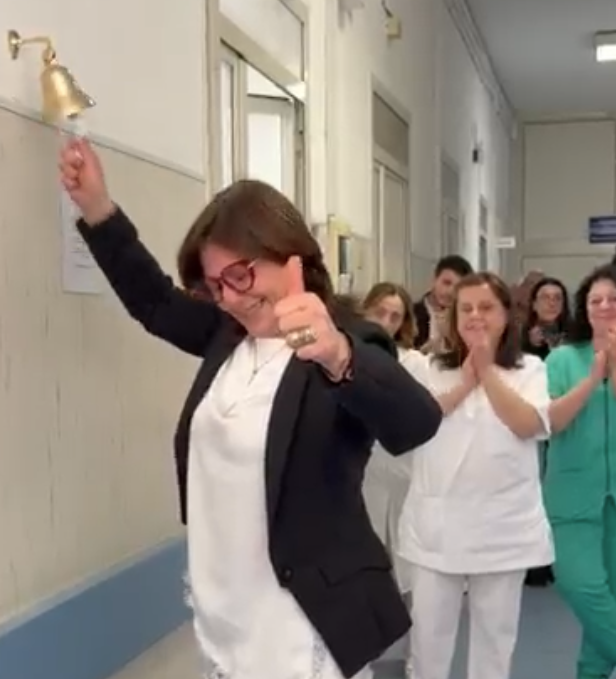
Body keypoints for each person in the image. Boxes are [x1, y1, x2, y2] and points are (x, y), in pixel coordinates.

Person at [58, 138, 443, 679]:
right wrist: (98, 209)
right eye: (216, 285)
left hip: (301, 621)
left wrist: (338, 355)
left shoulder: (347, 341)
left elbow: (417, 421)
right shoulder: (228, 336)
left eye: (241, 275)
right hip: (225, 615)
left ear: (290, 254)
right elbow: (154, 301)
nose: (233, 297)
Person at [398, 272, 554, 679]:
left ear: (506, 315)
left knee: (494, 644)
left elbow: (527, 425)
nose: (474, 316)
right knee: (428, 644)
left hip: (502, 528)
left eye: (486, 307)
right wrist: (467, 381)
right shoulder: (429, 368)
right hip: (438, 528)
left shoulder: (530, 369)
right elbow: (418, 423)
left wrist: (486, 373)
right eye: (465, 308)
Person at [544, 264, 616, 679]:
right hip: (571, 496)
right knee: (580, 585)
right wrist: (594, 377)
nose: (605, 306)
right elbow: (552, 422)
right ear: (584, 309)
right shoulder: (562, 359)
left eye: (613, 299)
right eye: (595, 300)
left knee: (611, 596)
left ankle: (591, 673)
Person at [358, 282, 427, 679]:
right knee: (362, 574)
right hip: (360, 481)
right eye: (379, 312)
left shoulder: (413, 362)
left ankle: (419, 660)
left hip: (404, 478)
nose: (385, 321)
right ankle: (358, 661)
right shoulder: (342, 354)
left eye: (395, 316)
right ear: (365, 310)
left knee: (411, 574)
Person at [520, 276, 571, 587]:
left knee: (559, 490)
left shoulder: (575, 340)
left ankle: (559, 557)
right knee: (533, 487)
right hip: (531, 424)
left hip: (565, 423)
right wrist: (527, 344)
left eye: (557, 298)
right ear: (534, 303)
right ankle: (534, 562)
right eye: (545, 297)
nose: (551, 303)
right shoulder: (518, 339)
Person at [413, 255, 473, 352]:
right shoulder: (411, 313)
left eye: (458, 287)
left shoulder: (467, 319)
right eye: (446, 283)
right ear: (434, 280)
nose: (450, 292)